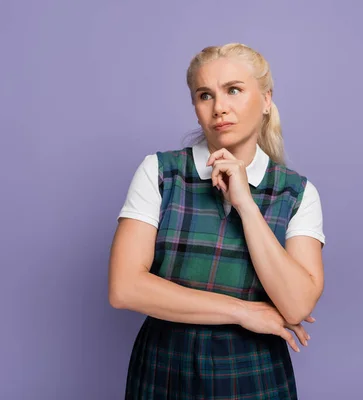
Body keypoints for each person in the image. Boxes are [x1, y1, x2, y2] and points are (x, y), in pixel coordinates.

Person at [108, 43, 326, 399]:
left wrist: (245, 204)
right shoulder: (161, 173)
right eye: (205, 95)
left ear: (267, 99)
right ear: (195, 108)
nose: (219, 107)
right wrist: (242, 312)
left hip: (256, 376)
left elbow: (297, 304)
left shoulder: (297, 193)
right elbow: (125, 288)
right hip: (165, 371)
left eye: (234, 90)